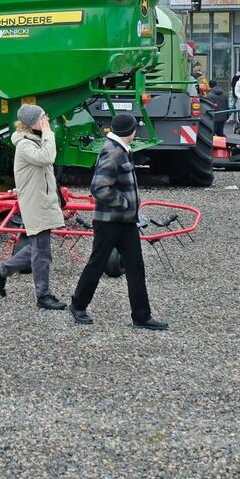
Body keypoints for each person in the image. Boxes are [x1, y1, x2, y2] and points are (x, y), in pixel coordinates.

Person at [69, 112, 167, 330]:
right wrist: (123, 203)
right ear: (129, 131)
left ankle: (141, 316)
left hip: (125, 222)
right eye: (135, 128)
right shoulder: (112, 153)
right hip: (109, 222)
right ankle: (78, 305)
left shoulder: (120, 150)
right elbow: (98, 187)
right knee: (97, 264)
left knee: (135, 267)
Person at [0, 105, 67, 310]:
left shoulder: (32, 141)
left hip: (41, 201)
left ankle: (1, 270)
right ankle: (43, 296)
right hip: (36, 203)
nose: (47, 119)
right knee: (42, 252)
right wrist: (48, 132)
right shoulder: (25, 145)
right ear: (33, 123)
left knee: (38, 248)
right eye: (43, 117)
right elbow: (47, 157)